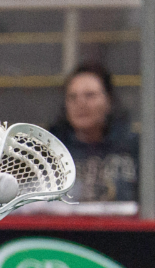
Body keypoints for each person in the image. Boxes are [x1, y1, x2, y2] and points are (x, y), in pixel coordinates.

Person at [48, 63, 138, 203]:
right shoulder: (50, 153)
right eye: (72, 97)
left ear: (109, 101)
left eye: (90, 96)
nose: (81, 103)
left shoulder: (133, 150)